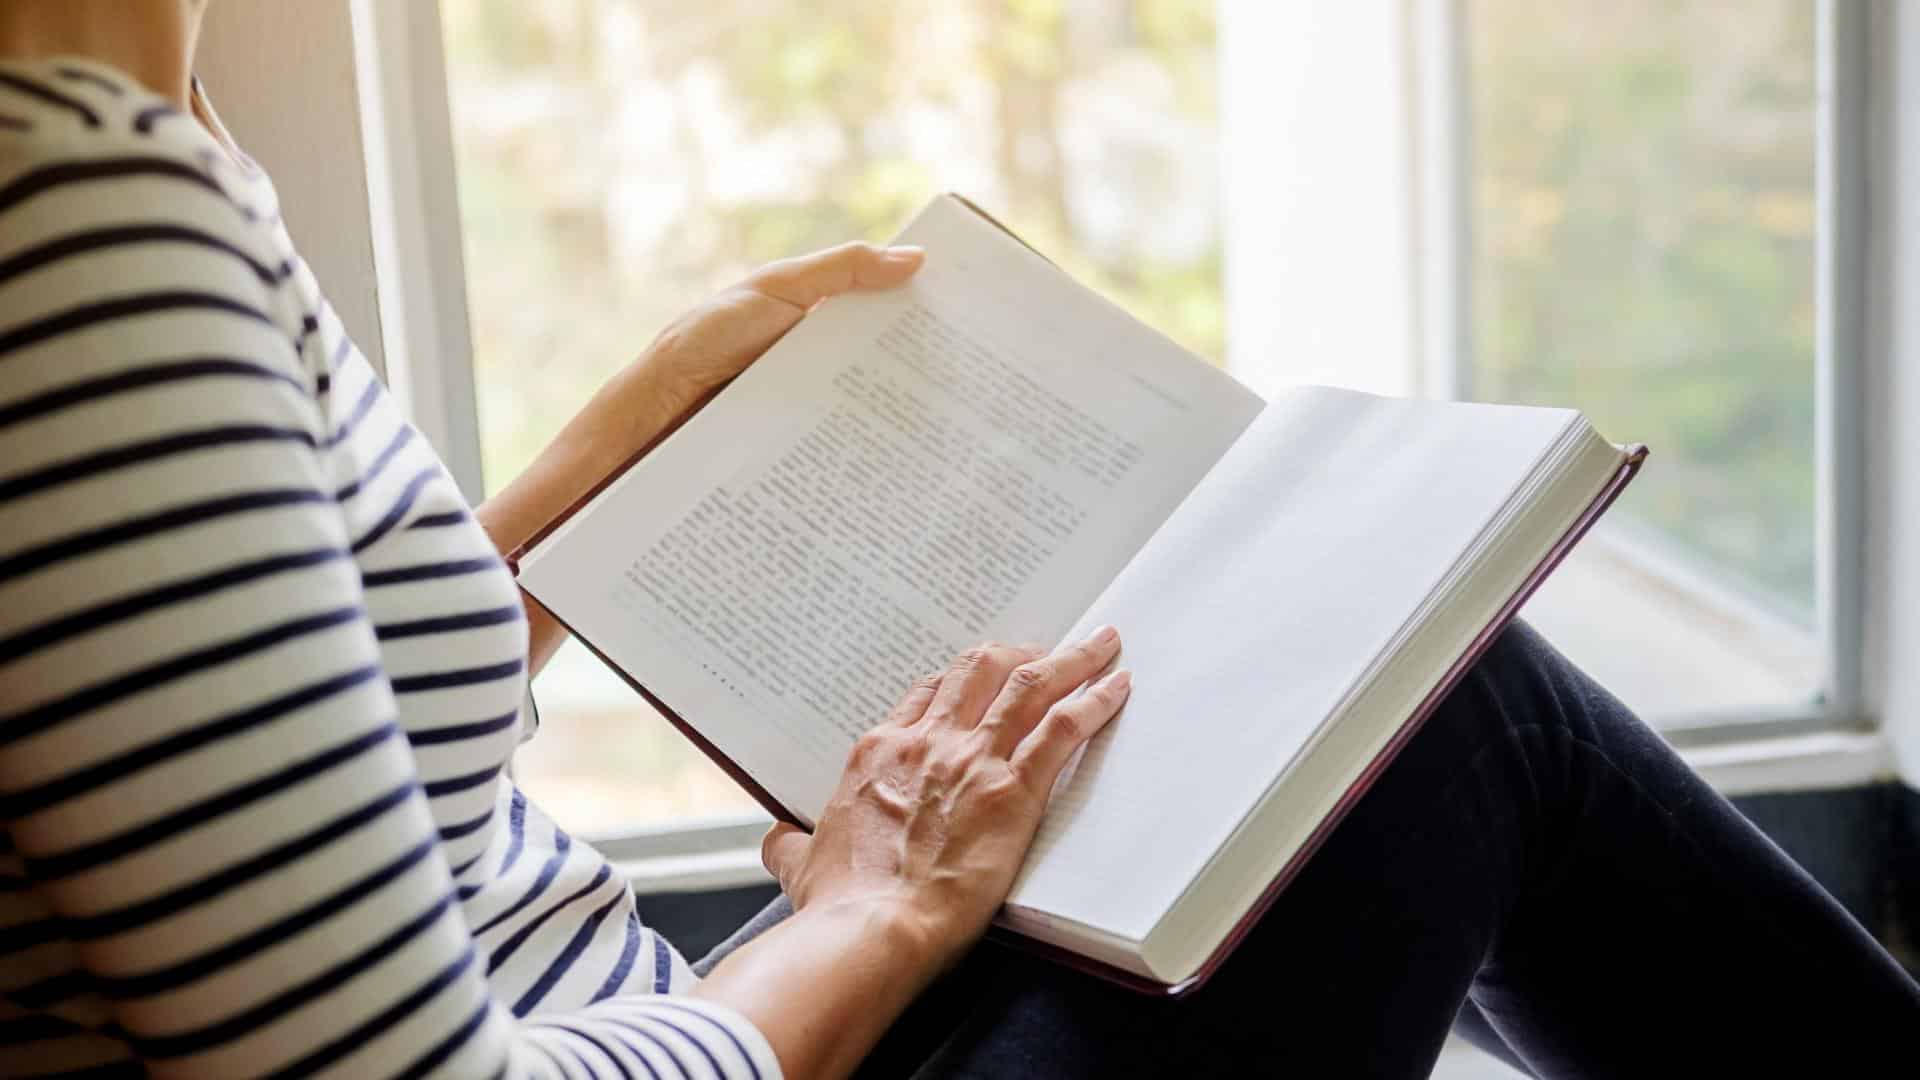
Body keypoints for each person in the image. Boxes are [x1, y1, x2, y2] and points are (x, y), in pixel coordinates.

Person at [0, 3, 1914, 1078]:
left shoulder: (133, 127)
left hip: (639, 1018)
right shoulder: (70, 210)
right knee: (1449, 712)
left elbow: (248, 771)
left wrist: (627, 433)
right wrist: (872, 912)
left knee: (1338, 725)